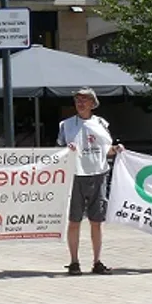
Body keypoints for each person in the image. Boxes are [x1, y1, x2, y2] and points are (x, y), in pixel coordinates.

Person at [57, 88, 123, 275]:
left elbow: (107, 149)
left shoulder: (101, 123)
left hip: (98, 174)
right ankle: (74, 262)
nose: (80, 103)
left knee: (96, 221)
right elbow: (59, 151)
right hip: (76, 175)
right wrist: (66, 151)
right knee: (74, 220)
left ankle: (97, 261)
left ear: (92, 103)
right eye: (77, 99)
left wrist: (117, 149)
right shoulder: (66, 125)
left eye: (84, 100)